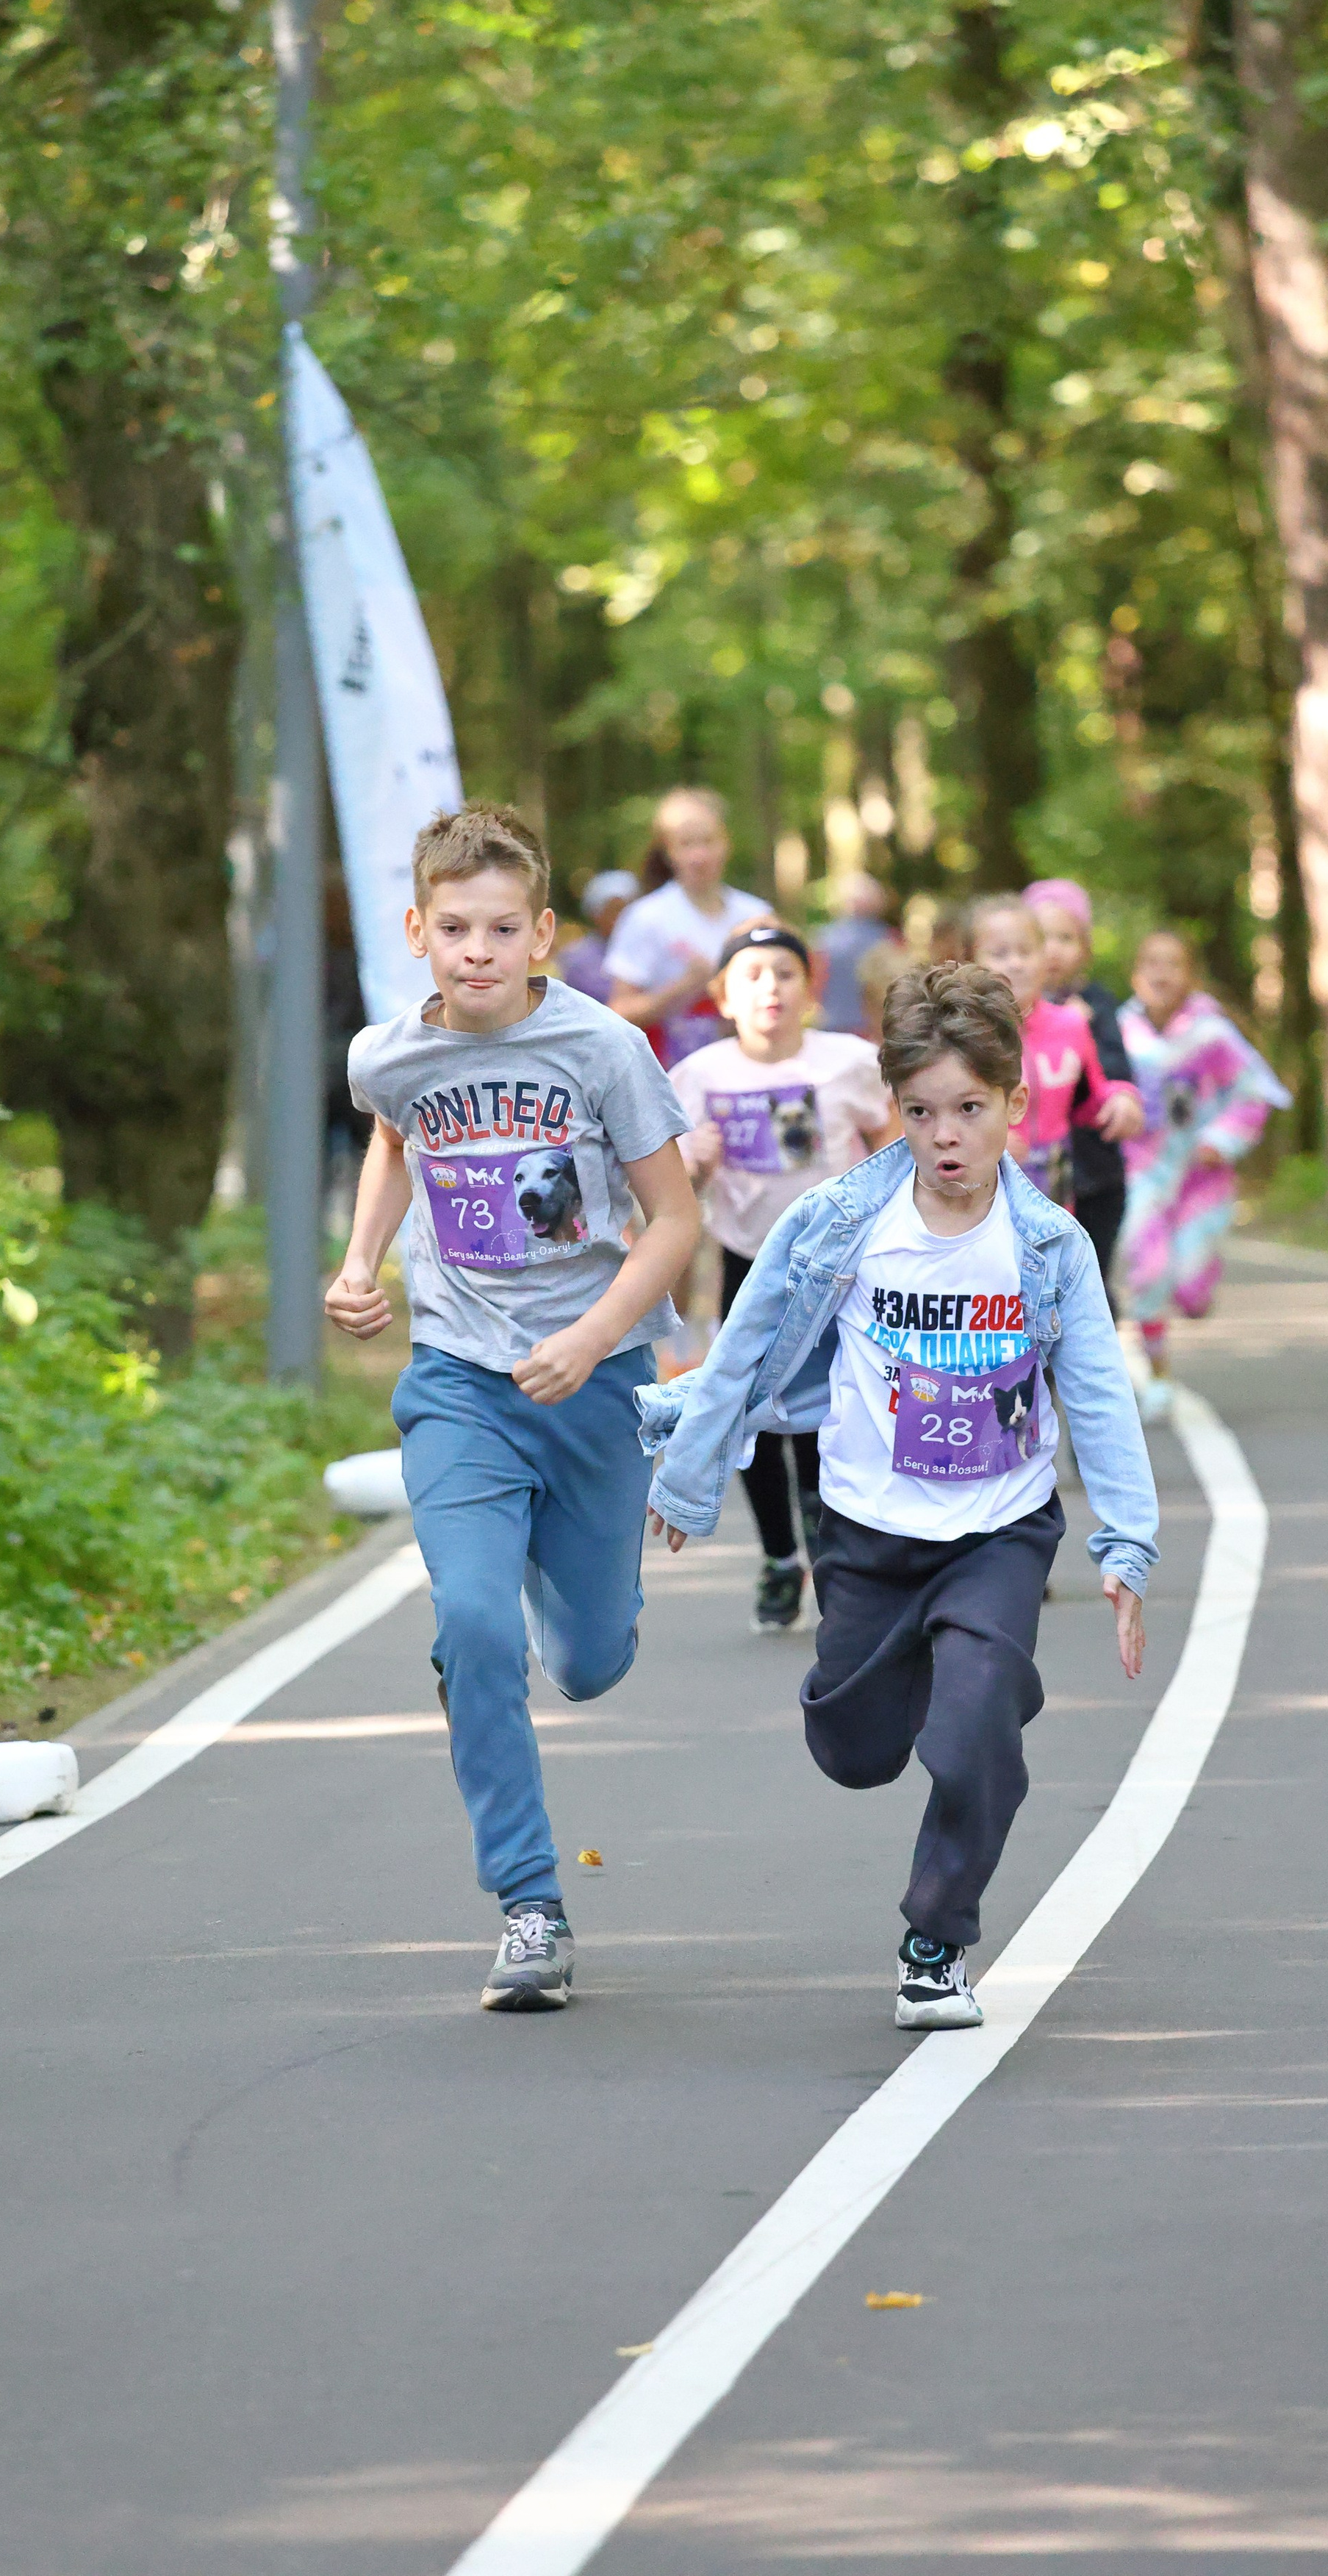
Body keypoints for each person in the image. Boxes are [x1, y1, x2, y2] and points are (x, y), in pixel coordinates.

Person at [639, 963, 1157, 2033]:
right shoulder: (841, 1224)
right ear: (894, 1113)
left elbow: (1099, 1396)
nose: (948, 1136)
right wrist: (691, 1481)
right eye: (922, 1113)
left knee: (974, 1736)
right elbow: (743, 1351)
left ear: (1016, 1105)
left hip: (999, 1532)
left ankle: (937, 1935)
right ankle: (938, 1680)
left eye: (972, 1109)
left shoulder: (1050, 1247)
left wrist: (1126, 1545)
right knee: (856, 1750)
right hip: (868, 1527)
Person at [327, 801, 700, 2017]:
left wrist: (596, 1339)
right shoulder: (390, 1053)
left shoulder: (604, 1052)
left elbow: (676, 1223)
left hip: (595, 1385)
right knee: (471, 1629)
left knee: (587, 1662)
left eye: (501, 929)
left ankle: (559, 1612)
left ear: (543, 934)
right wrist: (361, 1260)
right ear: (418, 932)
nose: (476, 951)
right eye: (453, 929)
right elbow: (394, 1140)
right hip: (459, 1382)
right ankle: (529, 1903)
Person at [670, 923, 892, 1633]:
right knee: (751, 1408)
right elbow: (665, 1185)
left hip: (840, 1266)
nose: (772, 987)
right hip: (751, 1263)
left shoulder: (851, 1061)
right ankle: (776, 1556)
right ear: (723, 997)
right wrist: (696, 1163)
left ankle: (829, 1541)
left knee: (831, 1407)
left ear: (811, 988)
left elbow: (891, 1135)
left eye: (787, 974)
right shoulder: (701, 1075)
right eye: (754, 975)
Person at [1119, 929, 1289, 1420]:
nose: (1161, 973)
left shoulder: (1211, 1034)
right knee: (1147, 1270)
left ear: (1190, 976)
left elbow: (1252, 1092)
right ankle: (1159, 1376)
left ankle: (1197, 1288)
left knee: (1189, 1286)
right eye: (1151, 962)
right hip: (1143, 1172)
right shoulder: (1121, 1032)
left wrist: (1223, 1138)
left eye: (1173, 963)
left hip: (1199, 1176)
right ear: (1136, 974)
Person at [970, 895, 1141, 1206]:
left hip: (1056, 1190)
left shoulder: (1071, 1025)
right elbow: (938, 1113)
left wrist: (1121, 1098)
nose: (1016, 963)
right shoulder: (961, 1033)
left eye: (1026, 952)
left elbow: (1090, 1099)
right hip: (985, 1193)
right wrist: (985, 1142)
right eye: (999, 954)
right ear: (972, 961)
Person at [1023, 877, 1136, 1299]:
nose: (1053, 949)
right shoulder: (1004, 1009)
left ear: (1086, 949)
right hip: (1030, 1173)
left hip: (1094, 1173)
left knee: (1089, 1285)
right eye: (1042, 937)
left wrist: (1123, 1098)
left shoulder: (1097, 1004)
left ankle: (1098, 1353)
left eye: (1066, 938)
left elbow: (1117, 1074)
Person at [603, 786, 771, 1067]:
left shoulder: (757, 916)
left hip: (749, 1071)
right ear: (668, 851)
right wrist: (685, 986)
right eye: (686, 844)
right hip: (670, 1075)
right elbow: (617, 1013)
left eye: (708, 841)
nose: (699, 856)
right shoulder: (644, 918)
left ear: (726, 842)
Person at [811, 876, 901, 1037]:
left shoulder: (823, 939)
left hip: (831, 1027)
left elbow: (814, 985)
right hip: (875, 1031)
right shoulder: (890, 939)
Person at [556, 870, 639, 1006]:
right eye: (615, 909)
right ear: (596, 914)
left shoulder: (650, 950)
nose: (624, 917)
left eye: (629, 908)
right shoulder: (577, 960)